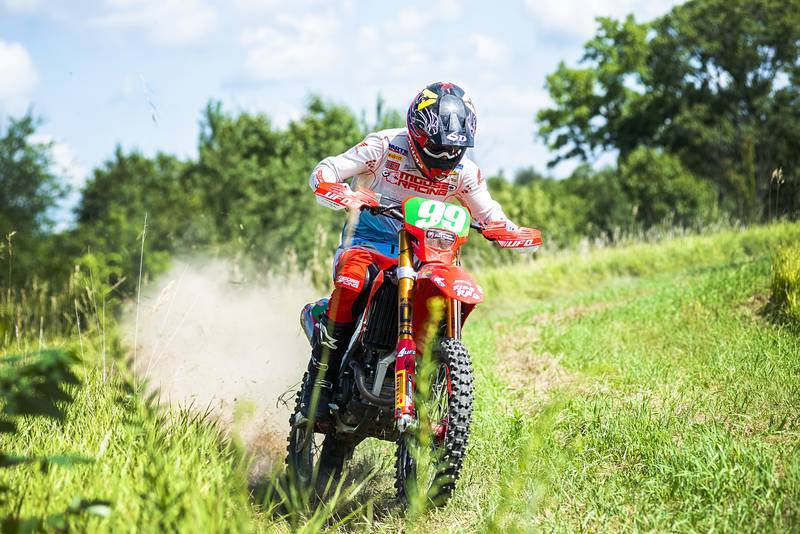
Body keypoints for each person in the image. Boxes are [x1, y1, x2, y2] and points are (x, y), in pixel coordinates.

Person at [300, 82, 518, 422]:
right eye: (437, 148)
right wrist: (343, 193)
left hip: (424, 251)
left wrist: (507, 230)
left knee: (448, 291)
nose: (444, 158)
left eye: (453, 150)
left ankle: (432, 376)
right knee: (354, 279)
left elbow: (489, 213)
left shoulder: (465, 172)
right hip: (369, 242)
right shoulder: (384, 146)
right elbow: (324, 171)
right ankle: (322, 381)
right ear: (417, 133)